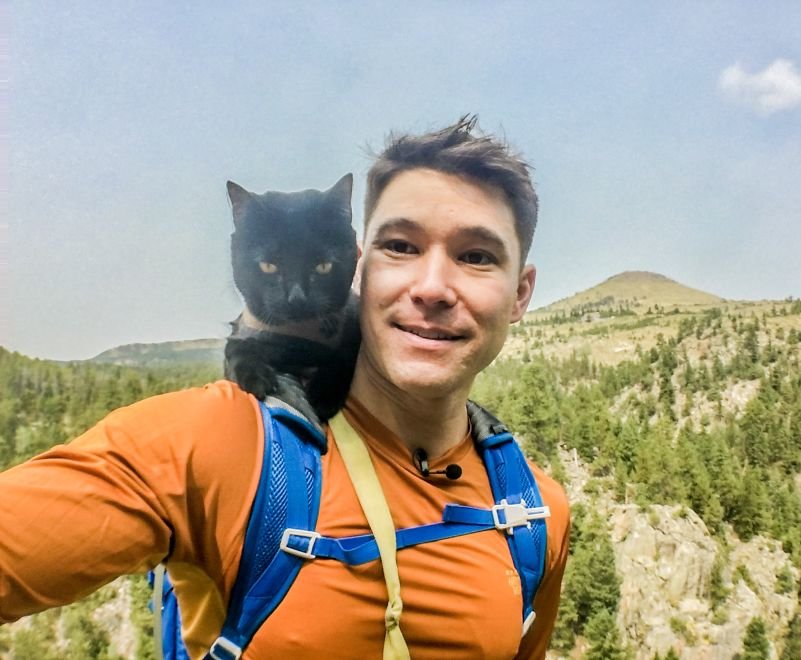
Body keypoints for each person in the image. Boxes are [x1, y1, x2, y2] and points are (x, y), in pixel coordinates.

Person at [0, 117, 570, 659]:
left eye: (476, 256)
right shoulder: (215, 445)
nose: (432, 287)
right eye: (401, 246)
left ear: (520, 294)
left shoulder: (533, 514)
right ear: (361, 266)